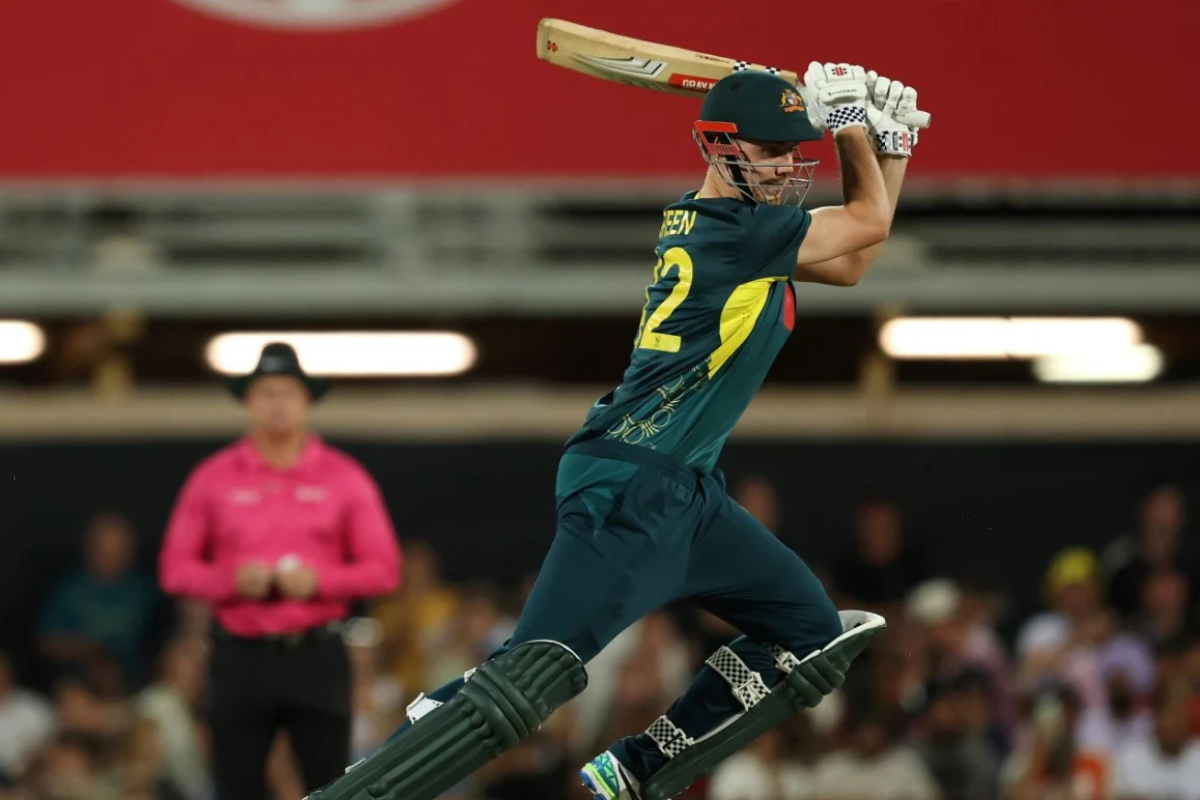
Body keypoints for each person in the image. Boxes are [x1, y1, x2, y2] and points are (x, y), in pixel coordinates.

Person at [311, 62, 923, 800]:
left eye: (794, 149)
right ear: (720, 148)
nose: (788, 165)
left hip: (688, 490)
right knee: (529, 679)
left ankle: (637, 768)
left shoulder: (746, 231)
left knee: (809, 635)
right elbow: (867, 222)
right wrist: (858, 128)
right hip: (630, 481)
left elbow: (854, 262)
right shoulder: (734, 232)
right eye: (771, 150)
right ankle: (360, 789)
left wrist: (890, 145)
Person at [158, 342, 402, 800]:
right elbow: (174, 570)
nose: (277, 403)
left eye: (288, 392)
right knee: (236, 787)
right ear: (248, 401)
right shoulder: (213, 477)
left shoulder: (344, 478)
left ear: (307, 401)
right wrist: (230, 580)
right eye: (266, 392)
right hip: (239, 655)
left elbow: (384, 570)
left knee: (332, 788)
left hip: (317, 654)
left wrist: (320, 581)